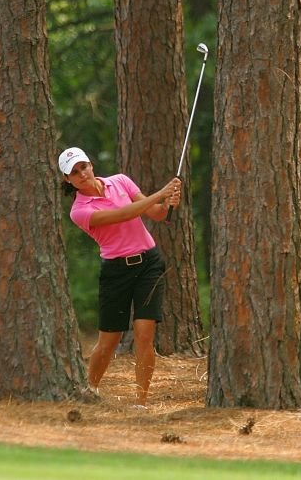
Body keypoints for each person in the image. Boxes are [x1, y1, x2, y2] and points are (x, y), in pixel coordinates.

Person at [59, 146, 182, 407]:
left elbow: (156, 214)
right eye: (75, 173)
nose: (82, 174)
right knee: (108, 341)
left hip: (149, 263)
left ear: (91, 165)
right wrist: (160, 193)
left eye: (84, 167)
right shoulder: (79, 211)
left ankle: (141, 401)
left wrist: (168, 203)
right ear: (67, 180)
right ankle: (89, 391)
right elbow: (124, 215)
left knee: (144, 333)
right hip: (116, 271)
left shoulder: (120, 181)